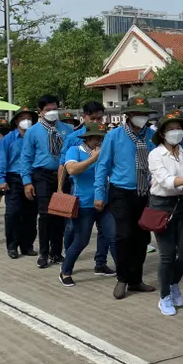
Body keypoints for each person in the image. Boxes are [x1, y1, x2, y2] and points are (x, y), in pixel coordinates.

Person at [94, 95, 158, 299]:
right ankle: (122, 278)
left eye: (144, 114)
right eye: (137, 113)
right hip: (121, 192)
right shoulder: (115, 136)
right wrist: (99, 193)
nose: (141, 117)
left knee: (142, 237)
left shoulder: (152, 136)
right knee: (124, 235)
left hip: (145, 193)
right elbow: (103, 165)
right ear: (128, 115)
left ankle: (136, 280)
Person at [19, 95, 75, 267]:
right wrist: (27, 181)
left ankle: (56, 252)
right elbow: (26, 157)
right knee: (45, 214)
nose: (52, 112)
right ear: (41, 112)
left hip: (62, 175)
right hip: (42, 175)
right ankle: (43, 252)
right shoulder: (33, 131)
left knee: (60, 213)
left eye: (54, 109)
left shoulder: (67, 129)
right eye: (48, 110)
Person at [148, 111, 183, 316]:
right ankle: (164, 295)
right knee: (167, 255)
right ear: (162, 133)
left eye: (178, 128)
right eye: (171, 129)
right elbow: (166, 182)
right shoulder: (155, 155)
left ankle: (174, 282)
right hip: (162, 206)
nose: (176, 132)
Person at [59, 122, 117, 287]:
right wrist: (93, 159)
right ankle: (65, 271)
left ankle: (118, 271)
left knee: (112, 237)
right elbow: (72, 170)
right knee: (81, 240)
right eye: (97, 138)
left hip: (104, 202)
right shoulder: (75, 150)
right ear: (88, 138)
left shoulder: (105, 152)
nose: (100, 142)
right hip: (84, 203)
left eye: (102, 139)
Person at [0, 107, 39, 260]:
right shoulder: (8, 139)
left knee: (31, 214)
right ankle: (12, 245)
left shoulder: (36, 136)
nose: (26, 121)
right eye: (22, 118)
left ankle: (27, 245)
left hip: (32, 177)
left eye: (29, 118)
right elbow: (2, 159)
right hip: (14, 178)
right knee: (13, 213)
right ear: (16, 122)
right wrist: (1, 179)